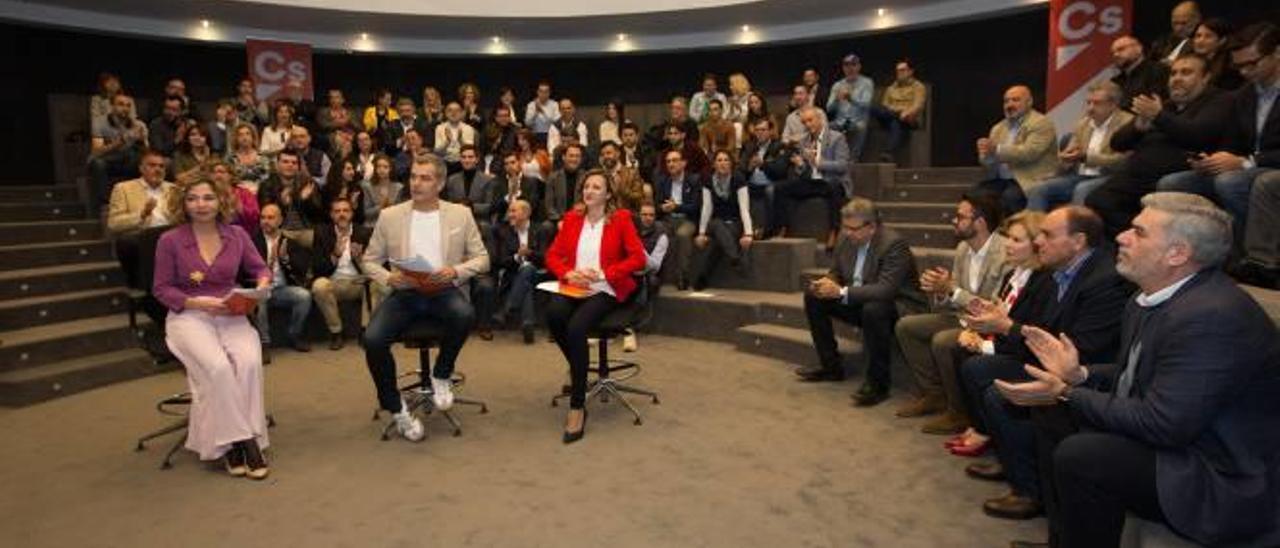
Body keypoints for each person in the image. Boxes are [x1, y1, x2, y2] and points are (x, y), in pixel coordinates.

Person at [996, 193, 1280, 548]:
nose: (1121, 237)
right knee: (1055, 419)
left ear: (1177, 254)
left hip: (1219, 471)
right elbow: (1137, 374)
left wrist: (1067, 392)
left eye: (1139, 232)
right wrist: (1079, 375)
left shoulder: (1211, 315)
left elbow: (1164, 423)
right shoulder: (1148, 297)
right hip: (1186, 440)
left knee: (1081, 455)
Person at [955, 205, 1129, 524]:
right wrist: (1003, 328)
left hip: (1088, 374)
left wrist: (1006, 327)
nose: (1039, 243)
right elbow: (1042, 327)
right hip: (1052, 362)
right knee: (977, 369)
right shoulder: (1060, 271)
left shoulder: (1105, 280)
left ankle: (1030, 491)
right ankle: (1013, 467)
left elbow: (1082, 347)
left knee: (997, 391)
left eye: (1047, 235)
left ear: (1078, 241)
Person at [361, 153, 489, 442]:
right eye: (413, 176)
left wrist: (455, 271)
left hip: (443, 289)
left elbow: (482, 258)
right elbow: (369, 261)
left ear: (440, 183)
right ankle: (397, 409)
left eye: (425, 178)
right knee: (372, 340)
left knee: (465, 314)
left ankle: (442, 374)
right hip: (404, 292)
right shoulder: (390, 216)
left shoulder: (460, 214)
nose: (416, 183)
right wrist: (389, 277)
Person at [152, 175, 272, 479]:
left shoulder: (237, 235)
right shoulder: (170, 241)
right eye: (193, 198)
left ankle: (239, 439)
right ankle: (242, 442)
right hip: (189, 316)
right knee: (218, 368)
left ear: (221, 201)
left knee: (248, 364)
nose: (201, 204)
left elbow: (260, 270)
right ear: (183, 203)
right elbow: (162, 289)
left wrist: (261, 285)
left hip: (231, 312)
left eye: (207, 197)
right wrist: (198, 303)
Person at [545, 170, 648, 443]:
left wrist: (603, 274)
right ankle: (578, 366)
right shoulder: (571, 218)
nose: (589, 191)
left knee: (577, 328)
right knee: (554, 315)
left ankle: (577, 407)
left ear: (608, 194)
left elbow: (638, 258)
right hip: (575, 284)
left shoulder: (621, 219)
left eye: (596, 187)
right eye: (586, 186)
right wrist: (568, 273)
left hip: (606, 287)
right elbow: (553, 255)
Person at [1157, 23, 1278, 245]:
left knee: (1230, 182)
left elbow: (1248, 159)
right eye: (1239, 66)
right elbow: (1234, 140)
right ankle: (1195, 254)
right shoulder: (1244, 94)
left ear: (1277, 53)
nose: (1245, 72)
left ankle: (1253, 255)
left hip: (1269, 167)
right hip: (1250, 167)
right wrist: (1212, 160)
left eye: (1252, 63)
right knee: (1173, 183)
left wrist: (1247, 162)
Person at [798, 198, 925, 406]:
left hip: (899, 307)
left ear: (872, 226)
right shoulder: (846, 238)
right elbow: (837, 272)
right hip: (859, 299)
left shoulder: (894, 245)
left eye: (853, 229)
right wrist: (826, 283)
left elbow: (885, 290)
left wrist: (840, 291)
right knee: (814, 297)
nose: (847, 233)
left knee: (874, 309)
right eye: (845, 227)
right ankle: (831, 367)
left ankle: (878, 384)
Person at [1088, 54, 1231, 239]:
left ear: (1205, 77)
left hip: (1179, 172)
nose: (1177, 78)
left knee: (1107, 201)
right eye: (1173, 73)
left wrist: (1159, 116)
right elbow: (1117, 143)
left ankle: (1146, 245)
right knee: (1096, 200)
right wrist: (1138, 128)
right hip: (1137, 174)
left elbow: (1198, 136)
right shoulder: (1166, 106)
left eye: (1186, 73)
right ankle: (1131, 247)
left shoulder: (1218, 101)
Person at [894, 193, 1008, 423]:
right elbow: (954, 298)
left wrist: (952, 290)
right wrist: (940, 290)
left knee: (943, 341)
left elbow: (995, 306)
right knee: (906, 326)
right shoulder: (963, 249)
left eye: (960, 216)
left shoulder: (1005, 252)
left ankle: (959, 411)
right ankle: (934, 394)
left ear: (981, 222)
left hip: (989, 323)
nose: (954, 221)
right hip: (962, 317)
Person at [944, 211, 1045, 441]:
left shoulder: (1042, 280)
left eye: (1017, 240)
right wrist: (976, 329)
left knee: (973, 365)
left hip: (1025, 352)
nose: (1008, 244)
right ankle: (979, 425)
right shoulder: (1013, 273)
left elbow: (1028, 332)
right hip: (1006, 340)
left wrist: (984, 346)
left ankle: (984, 430)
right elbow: (999, 313)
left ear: (1038, 245)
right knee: (959, 349)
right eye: (1008, 237)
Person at [1026, 81, 1133, 211]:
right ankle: (1034, 229)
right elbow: (1070, 155)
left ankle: (1074, 228)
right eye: (1088, 103)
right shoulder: (1083, 124)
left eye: (1097, 103)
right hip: (1080, 175)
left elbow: (1123, 161)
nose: (1090, 108)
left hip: (1111, 177)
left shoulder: (1128, 123)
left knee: (1082, 189)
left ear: (1113, 105)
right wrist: (1064, 159)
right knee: (1038, 189)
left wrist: (1086, 157)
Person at [974, 85, 1058, 215]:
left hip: (1029, 179)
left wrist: (996, 149)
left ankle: (1012, 234)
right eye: (1006, 101)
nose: (1009, 105)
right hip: (1001, 180)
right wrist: (985, 154)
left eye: (1015, 100)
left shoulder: (1041, 123)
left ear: (1029, 102)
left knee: (1010, 198)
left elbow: (1029, 153)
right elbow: (988, 163)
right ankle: (988, 234)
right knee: (975, 196)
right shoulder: (998, 128)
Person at [773, 106, 848, 247]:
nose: (807, 125)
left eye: (810, 120)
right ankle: (782, 227)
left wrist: (818, 162)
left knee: (834, 187)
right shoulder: (804, 140)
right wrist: (801, 165)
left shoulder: (836, 138)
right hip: (811, 181)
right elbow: (804, 171)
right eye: (804, 122)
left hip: (831, 180)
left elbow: (842, 166)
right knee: (780, 188)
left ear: (819, 119)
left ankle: (834, 231)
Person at [311, 197, 377, 350]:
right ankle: (336, 333)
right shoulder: (322, 233)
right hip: (334, 282)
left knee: (377, 284)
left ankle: (365, 331)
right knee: (319, 286)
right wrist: (335, 255)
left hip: (358, 282)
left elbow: (376, 268)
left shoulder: (365, 233)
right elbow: (317, 269)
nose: (342, 214)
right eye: (337, 211)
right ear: (331, 215)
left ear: (352, 214)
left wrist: (360, 260)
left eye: (345, 210)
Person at [252, 203, 313, 354]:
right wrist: (269, 263)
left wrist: (285, 258)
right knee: (260, 298)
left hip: (281, 289)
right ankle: (264, 343)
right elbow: (244, 271)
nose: (265, 221)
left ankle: (294, 335)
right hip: (260, 289)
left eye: (270, 218)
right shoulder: (252, 241)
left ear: (280, 220)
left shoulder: (289, 242)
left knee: (304, 296)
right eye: (263, 217)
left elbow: (301, 270)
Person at [691, 150, 752, 290]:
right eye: (719, 160)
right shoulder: (708, 180)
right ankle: (735, 257)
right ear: (714, 164)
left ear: (731, 163)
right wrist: (701, 233)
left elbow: (744, 208)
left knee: (720, 241)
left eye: (726, 160)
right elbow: (706, 208)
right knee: (717, 224)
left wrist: (748, 234)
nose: (723, 163)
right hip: (716, 222)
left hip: (735, 222)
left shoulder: (738, 179)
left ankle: (703, 277)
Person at [492, 199, 550, 344]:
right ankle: (527, 324)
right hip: (513, 274)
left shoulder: (540, 229)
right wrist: (518, 257)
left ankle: (508, 308)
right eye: (509, 211)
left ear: (526, 213)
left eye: (513, 211)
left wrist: (529, 253)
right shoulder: (503, 231)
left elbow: (546, 258)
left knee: (529, 269)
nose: (509, 215)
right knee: (526, 282)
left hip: (538, 273)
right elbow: (500, 261)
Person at [654, 149, 703, 290]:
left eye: (675, 160)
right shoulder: (663, 181)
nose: (671, 164)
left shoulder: (694, 180)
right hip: (669, 219)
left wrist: (676, 207)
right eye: (668, 161)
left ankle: (683, 277)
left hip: (688, 219)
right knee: (655, 230)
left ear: (683, 163)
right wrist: (662, 208)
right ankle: (652, 275)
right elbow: (656, 205)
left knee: (682, 235)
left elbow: (696, 207)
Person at [88, 93, 147, 207]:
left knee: (137, 157)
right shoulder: (99, 123)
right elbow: (97, 151)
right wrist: (120, 142)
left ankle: (133, 199)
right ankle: (106, 204)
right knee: (98, 163)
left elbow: (147, 153)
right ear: (112, 107)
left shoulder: (137, 125)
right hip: (106, 159)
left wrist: (140, 141)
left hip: (127, 160)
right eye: (120, 104)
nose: (125, 108)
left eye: (128, 105)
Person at [738, 117, 789, 238]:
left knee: (770, 191)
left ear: (770, 131)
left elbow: (781, 170)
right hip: (752, 182)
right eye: (757, 130)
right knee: (739, 188)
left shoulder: (779, 146)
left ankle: (769, 229)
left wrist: (763, 164)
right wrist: (749, 168)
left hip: (771, 182)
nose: (760, 133)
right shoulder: (749, 146)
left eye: (763, 130)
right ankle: (742, 228)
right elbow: (741, 170)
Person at [871, 60, 928, 161]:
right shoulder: (891, 88)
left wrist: (907, 112)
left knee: (896, 123)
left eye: (902, 70)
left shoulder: (918, 87)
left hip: (909, 119)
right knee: (875, 109)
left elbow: (918, 105)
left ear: (910, 72)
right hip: (891, 116)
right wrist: (897, 112)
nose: (899, 73)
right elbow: (885, 106)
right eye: (897, 71)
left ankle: (888, 153)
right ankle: (887, 153)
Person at [826, 53, 875, 160]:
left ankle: (852, 160)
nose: (850, 68)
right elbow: (829, 108)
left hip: (858, 121)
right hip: (840, 121)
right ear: (843, 68)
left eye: (853, 65)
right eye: (847, 65)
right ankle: (827, 159)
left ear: (859, 67)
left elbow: (866, 104)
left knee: (860, 128)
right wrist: (836, 100)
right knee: (825, 128)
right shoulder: (837, 85)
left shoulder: (867, 83)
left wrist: (851, 98)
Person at [1110, 36, 1170, 110]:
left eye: (1121, 49)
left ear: (1139, 49)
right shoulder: (1115, 81)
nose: (1116, 55)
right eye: (1113, 53)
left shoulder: (1158, 70)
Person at [444, 145, 496, 226]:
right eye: (463, 157)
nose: (467, 160)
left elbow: (490, 206)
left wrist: (471, 207)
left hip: (478, 221)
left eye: (470, 157)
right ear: (460, 159)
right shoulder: (452, 180)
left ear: (477, 159)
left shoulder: (487, 180)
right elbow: (449, 204)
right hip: (457, 220)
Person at [207, 158, 260, 237]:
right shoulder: (206, 195)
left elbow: (255, 217)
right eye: (214, 172)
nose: (218, 175)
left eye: (221, 172)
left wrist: (239, 206)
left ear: (230, 175)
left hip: (241, 236)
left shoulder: (244, 193)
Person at [1192, 18, 1244, 91]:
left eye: (1208, 36)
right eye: (1198, 36)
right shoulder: (1192, 59)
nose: (1200, 41)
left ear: (1222, 40)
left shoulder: (1229, 66)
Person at [544, 143, 587, 227]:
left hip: (581, 218)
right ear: (564, 157)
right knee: (546, 227)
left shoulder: (587, 177)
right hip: (558, 219)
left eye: (577, 156)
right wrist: (559, 220)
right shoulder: (553, 178)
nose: (574, 159)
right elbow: (549, 206)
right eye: (571, 156)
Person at [360, 153, 403, 228]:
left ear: (391, 169)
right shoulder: (368, 187)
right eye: (379, 167)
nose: (381, 170)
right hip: (373, 226)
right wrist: (380, 207)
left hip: (392, 225)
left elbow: (400, 212)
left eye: (385, 167)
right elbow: (366, 213)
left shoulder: (398, 188)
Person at [434, 102, 476, 172]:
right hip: (444, 162)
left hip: (462, 163)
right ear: (446, 113)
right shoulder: (440, 128)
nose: (453, 113)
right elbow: (437, 152)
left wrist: (460, 140)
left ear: (462, 113)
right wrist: (447, 142)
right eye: (450, 110)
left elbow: (470, 151)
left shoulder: (468, 128)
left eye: (457, 110)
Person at [225, 123, 271, 188]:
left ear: (253, 137)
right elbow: (228, 179)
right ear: (236, 139)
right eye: (240, 135)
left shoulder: (263, 157)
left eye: (248, 134)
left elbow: (267, 178)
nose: (244, 137)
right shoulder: (230, 158)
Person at [524, 81, 560, 145]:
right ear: (537, 92)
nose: (543, 94)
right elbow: (527, 123)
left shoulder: (555, 104)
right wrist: (535, 113)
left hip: (551, 134)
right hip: (535, 134)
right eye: (541, 91)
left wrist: (543, 111)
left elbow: (557, 122)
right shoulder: (531, 105)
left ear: (549, 93)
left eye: (546, 92)